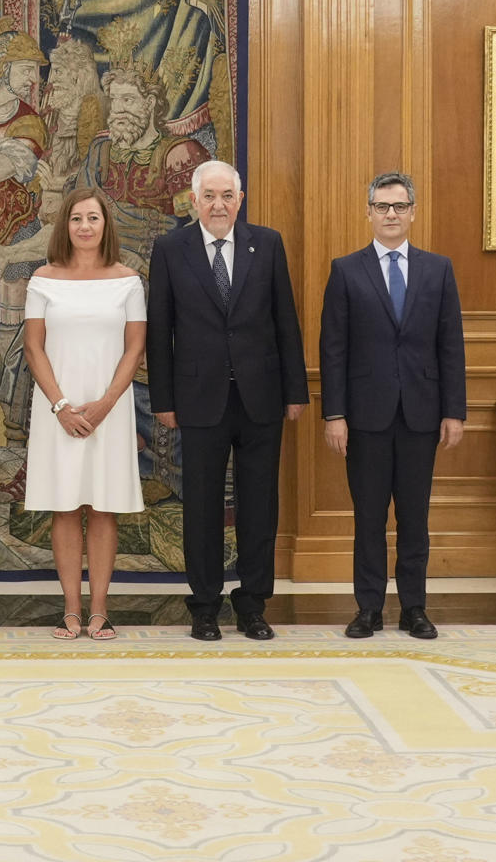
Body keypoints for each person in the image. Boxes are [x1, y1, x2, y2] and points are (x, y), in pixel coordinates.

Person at [148, 160, 308, 641]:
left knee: (260, 505)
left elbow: (286, 320)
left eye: (228, 196)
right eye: (210, 196)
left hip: (261, 398)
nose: (219, 205)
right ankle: (203, 606)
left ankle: (253, 604)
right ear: (193, 201)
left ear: (241, 200)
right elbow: (160, 330)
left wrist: (295, 391)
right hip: (198, 399)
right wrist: (163, 399)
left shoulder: (269, 243)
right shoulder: (171, 249)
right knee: (201, 506)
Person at [319, 172, 466, 640]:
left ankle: (414, 609)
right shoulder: (345, 270)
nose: (390, 215)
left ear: (412, 213)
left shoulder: (438, 269)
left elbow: (451, 346)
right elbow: (333, 348)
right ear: (368, 212)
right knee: (368, 516)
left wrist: (454, 411)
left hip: (422, 414)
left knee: (414, 517)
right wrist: (334, 414)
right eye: (382, 206)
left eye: (399, 207)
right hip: (364, 416)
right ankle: (368, 609)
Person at [21, 188, 147, 641]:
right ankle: (71, 611)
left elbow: (135, 348)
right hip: (59, 409)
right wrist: (60, 407)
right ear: (65, 227)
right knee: (66, 505)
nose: (85, 227)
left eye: (93, 218)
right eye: (76, 219)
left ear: (105, 225)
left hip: (110, 409)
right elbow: (34, 347)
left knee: (104, 506)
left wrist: (106, 403)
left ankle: (99, 612)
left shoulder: (128, 281)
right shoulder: (43, 279)